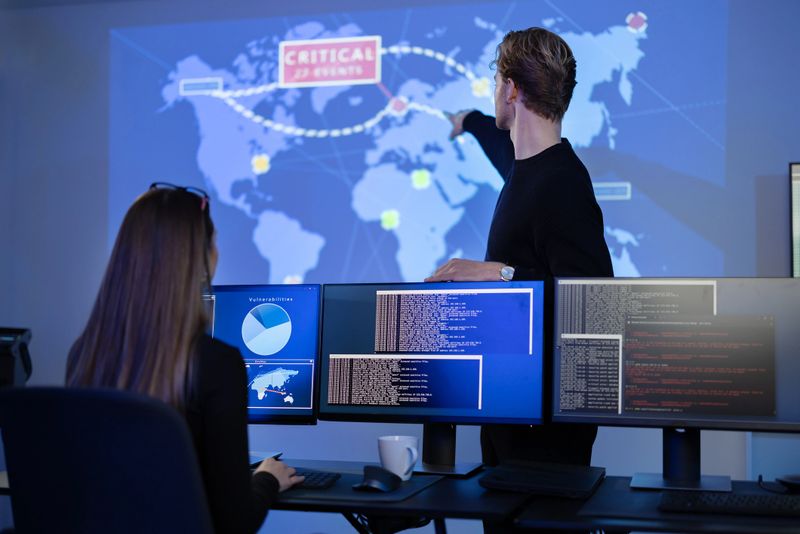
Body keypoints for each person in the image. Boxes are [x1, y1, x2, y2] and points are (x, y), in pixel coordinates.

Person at [66, 183, 303, 534]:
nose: (218, 253)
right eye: (214, 243)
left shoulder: (85, 354)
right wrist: (266, 479)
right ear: (199, 259)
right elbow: (234, 523)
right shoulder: (216, 364)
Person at [427, 28, 613, 469]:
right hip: (513, 420)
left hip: (544, 445)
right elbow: (504, 153)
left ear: (511, 89)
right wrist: (470, 120)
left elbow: (593, 303)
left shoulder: (562, 182)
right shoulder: (526, 169)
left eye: (496, 83)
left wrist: (498, 273)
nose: (496, 91)